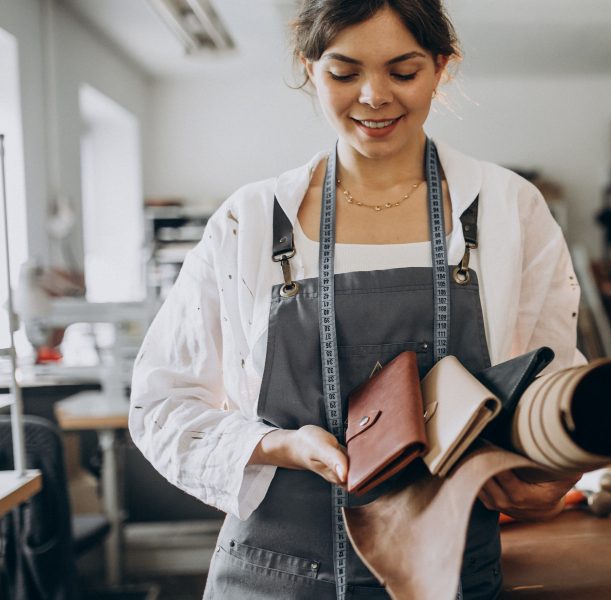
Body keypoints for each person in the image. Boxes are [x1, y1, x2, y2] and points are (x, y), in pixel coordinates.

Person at [129, 0, 585, 597]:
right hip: (275, 576)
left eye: (403, 71)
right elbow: (162, 404)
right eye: (344, 73)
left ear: (441, 68)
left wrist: (550, 467)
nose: (373, 96)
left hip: (451, 575)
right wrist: (280, 446)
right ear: (309, 69)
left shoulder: (507, 209)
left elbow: (553, 383)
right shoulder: (251, 221)